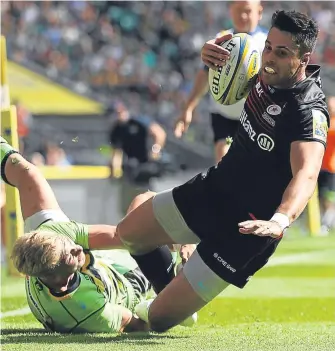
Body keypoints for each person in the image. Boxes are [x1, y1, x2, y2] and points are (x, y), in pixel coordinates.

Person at [112, 10, 330, 332]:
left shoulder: (307, 110)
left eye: (282, 53)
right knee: (129, 233)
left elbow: (307, 174)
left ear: (303, 58)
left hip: (247, 229)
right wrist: (210, 56)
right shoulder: (261, 68)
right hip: (214, 190)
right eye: (268, 46)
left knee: (157, 321)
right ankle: (172, 282)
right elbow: (225, 65)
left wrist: (280, 220)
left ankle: (170, 301)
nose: (269, 58)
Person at [0, 136, 195, 333]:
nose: (77, 248)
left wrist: (180, 238)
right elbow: (138, 325)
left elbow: (25, 174)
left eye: (69, 244)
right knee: (170, 314)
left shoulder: (49, 236)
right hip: (132, 281)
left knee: (142, 205)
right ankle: (170, 290)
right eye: (71, 254)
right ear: (57, 278)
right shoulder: (85, 311)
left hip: (108, 262)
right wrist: (165, 309)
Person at [174, 0, 267, 163]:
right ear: (230, 11)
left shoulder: (267, 43)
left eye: (247, 11)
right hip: (223, 114)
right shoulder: (222, 40)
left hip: (255, 117)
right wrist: (189, 107)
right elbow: (204, 74)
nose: (243, 15)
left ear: (259, 12)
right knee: (223, 159)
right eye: (238, 10)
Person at [108, 101, 167, 215]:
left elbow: (159, 133)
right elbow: (116, 152)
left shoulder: (138, 121)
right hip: (129, 170)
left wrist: (155, 149)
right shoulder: (116, 129)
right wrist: (113, 171)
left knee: (146, 204)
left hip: (144, 166)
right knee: (127, 208)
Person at [318, 96, 335, 232]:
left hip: (331, 167)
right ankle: (325, 221)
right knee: (321, 196)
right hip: (320, 166)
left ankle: (327, 223)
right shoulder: (325, 120)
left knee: (328, 195)